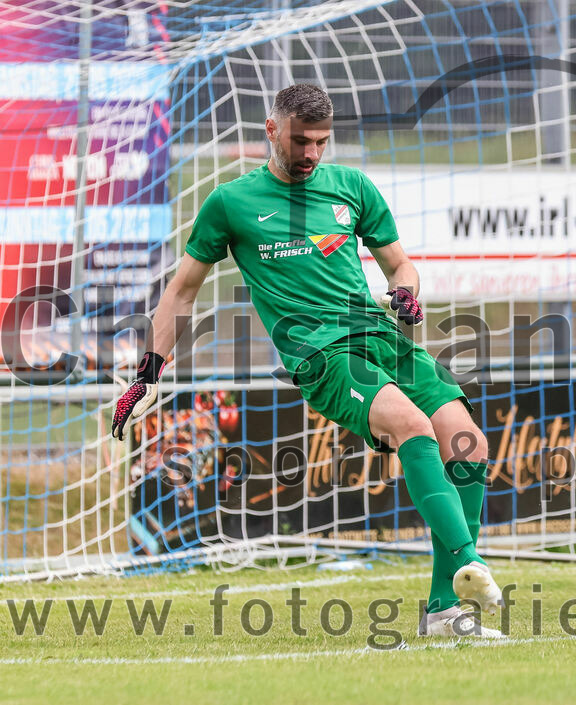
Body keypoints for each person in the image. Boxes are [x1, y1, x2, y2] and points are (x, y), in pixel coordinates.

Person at [111, 83, 504, 639]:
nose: (312, 154)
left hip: (382, 338)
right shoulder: (231, 203)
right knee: (412, 426)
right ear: (272, 130)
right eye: (301, 141)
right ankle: (472, 563)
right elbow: (181, 292)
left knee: (468, 444)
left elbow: (400, 266)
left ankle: (443, 609)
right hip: (322, 352)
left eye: (321, 142)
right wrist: (150, 370)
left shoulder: (351, 187)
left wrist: (408, 294)